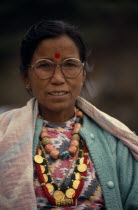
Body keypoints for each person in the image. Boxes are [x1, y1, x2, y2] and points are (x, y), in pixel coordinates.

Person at [0, 20, 138, 210]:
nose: (58, 79)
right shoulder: (3, 134)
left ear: (83, 74)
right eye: (45, 66)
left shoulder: (116, 142)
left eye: (70, 65)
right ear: (26, 78)